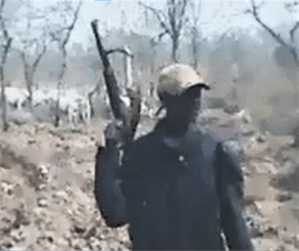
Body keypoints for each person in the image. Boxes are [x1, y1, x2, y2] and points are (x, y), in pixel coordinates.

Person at [94, 64, 254, 250]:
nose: (195, 101)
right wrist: (110, 153)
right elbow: (115, 214)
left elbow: (234, 224)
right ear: (166, 100)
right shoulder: (141, 155)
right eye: (186, 95)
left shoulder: (218, 153)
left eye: (197, 93)